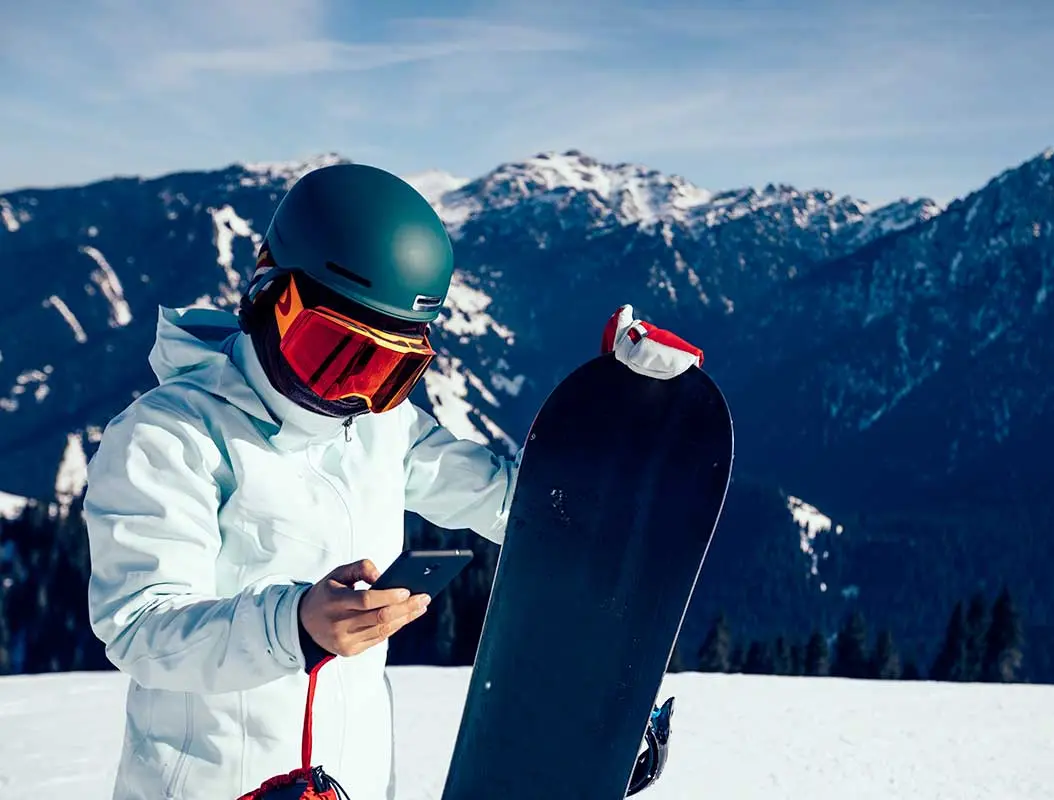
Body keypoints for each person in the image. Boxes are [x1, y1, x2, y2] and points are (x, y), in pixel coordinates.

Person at [82, 162, 704, 799]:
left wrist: (617, 406)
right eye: (329, 352)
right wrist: (293, 623)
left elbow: (520, 511)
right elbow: (139, 626)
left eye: (386, 370)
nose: (351, 394)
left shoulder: (382, 428)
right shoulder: (167, 437)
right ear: (269, 290)